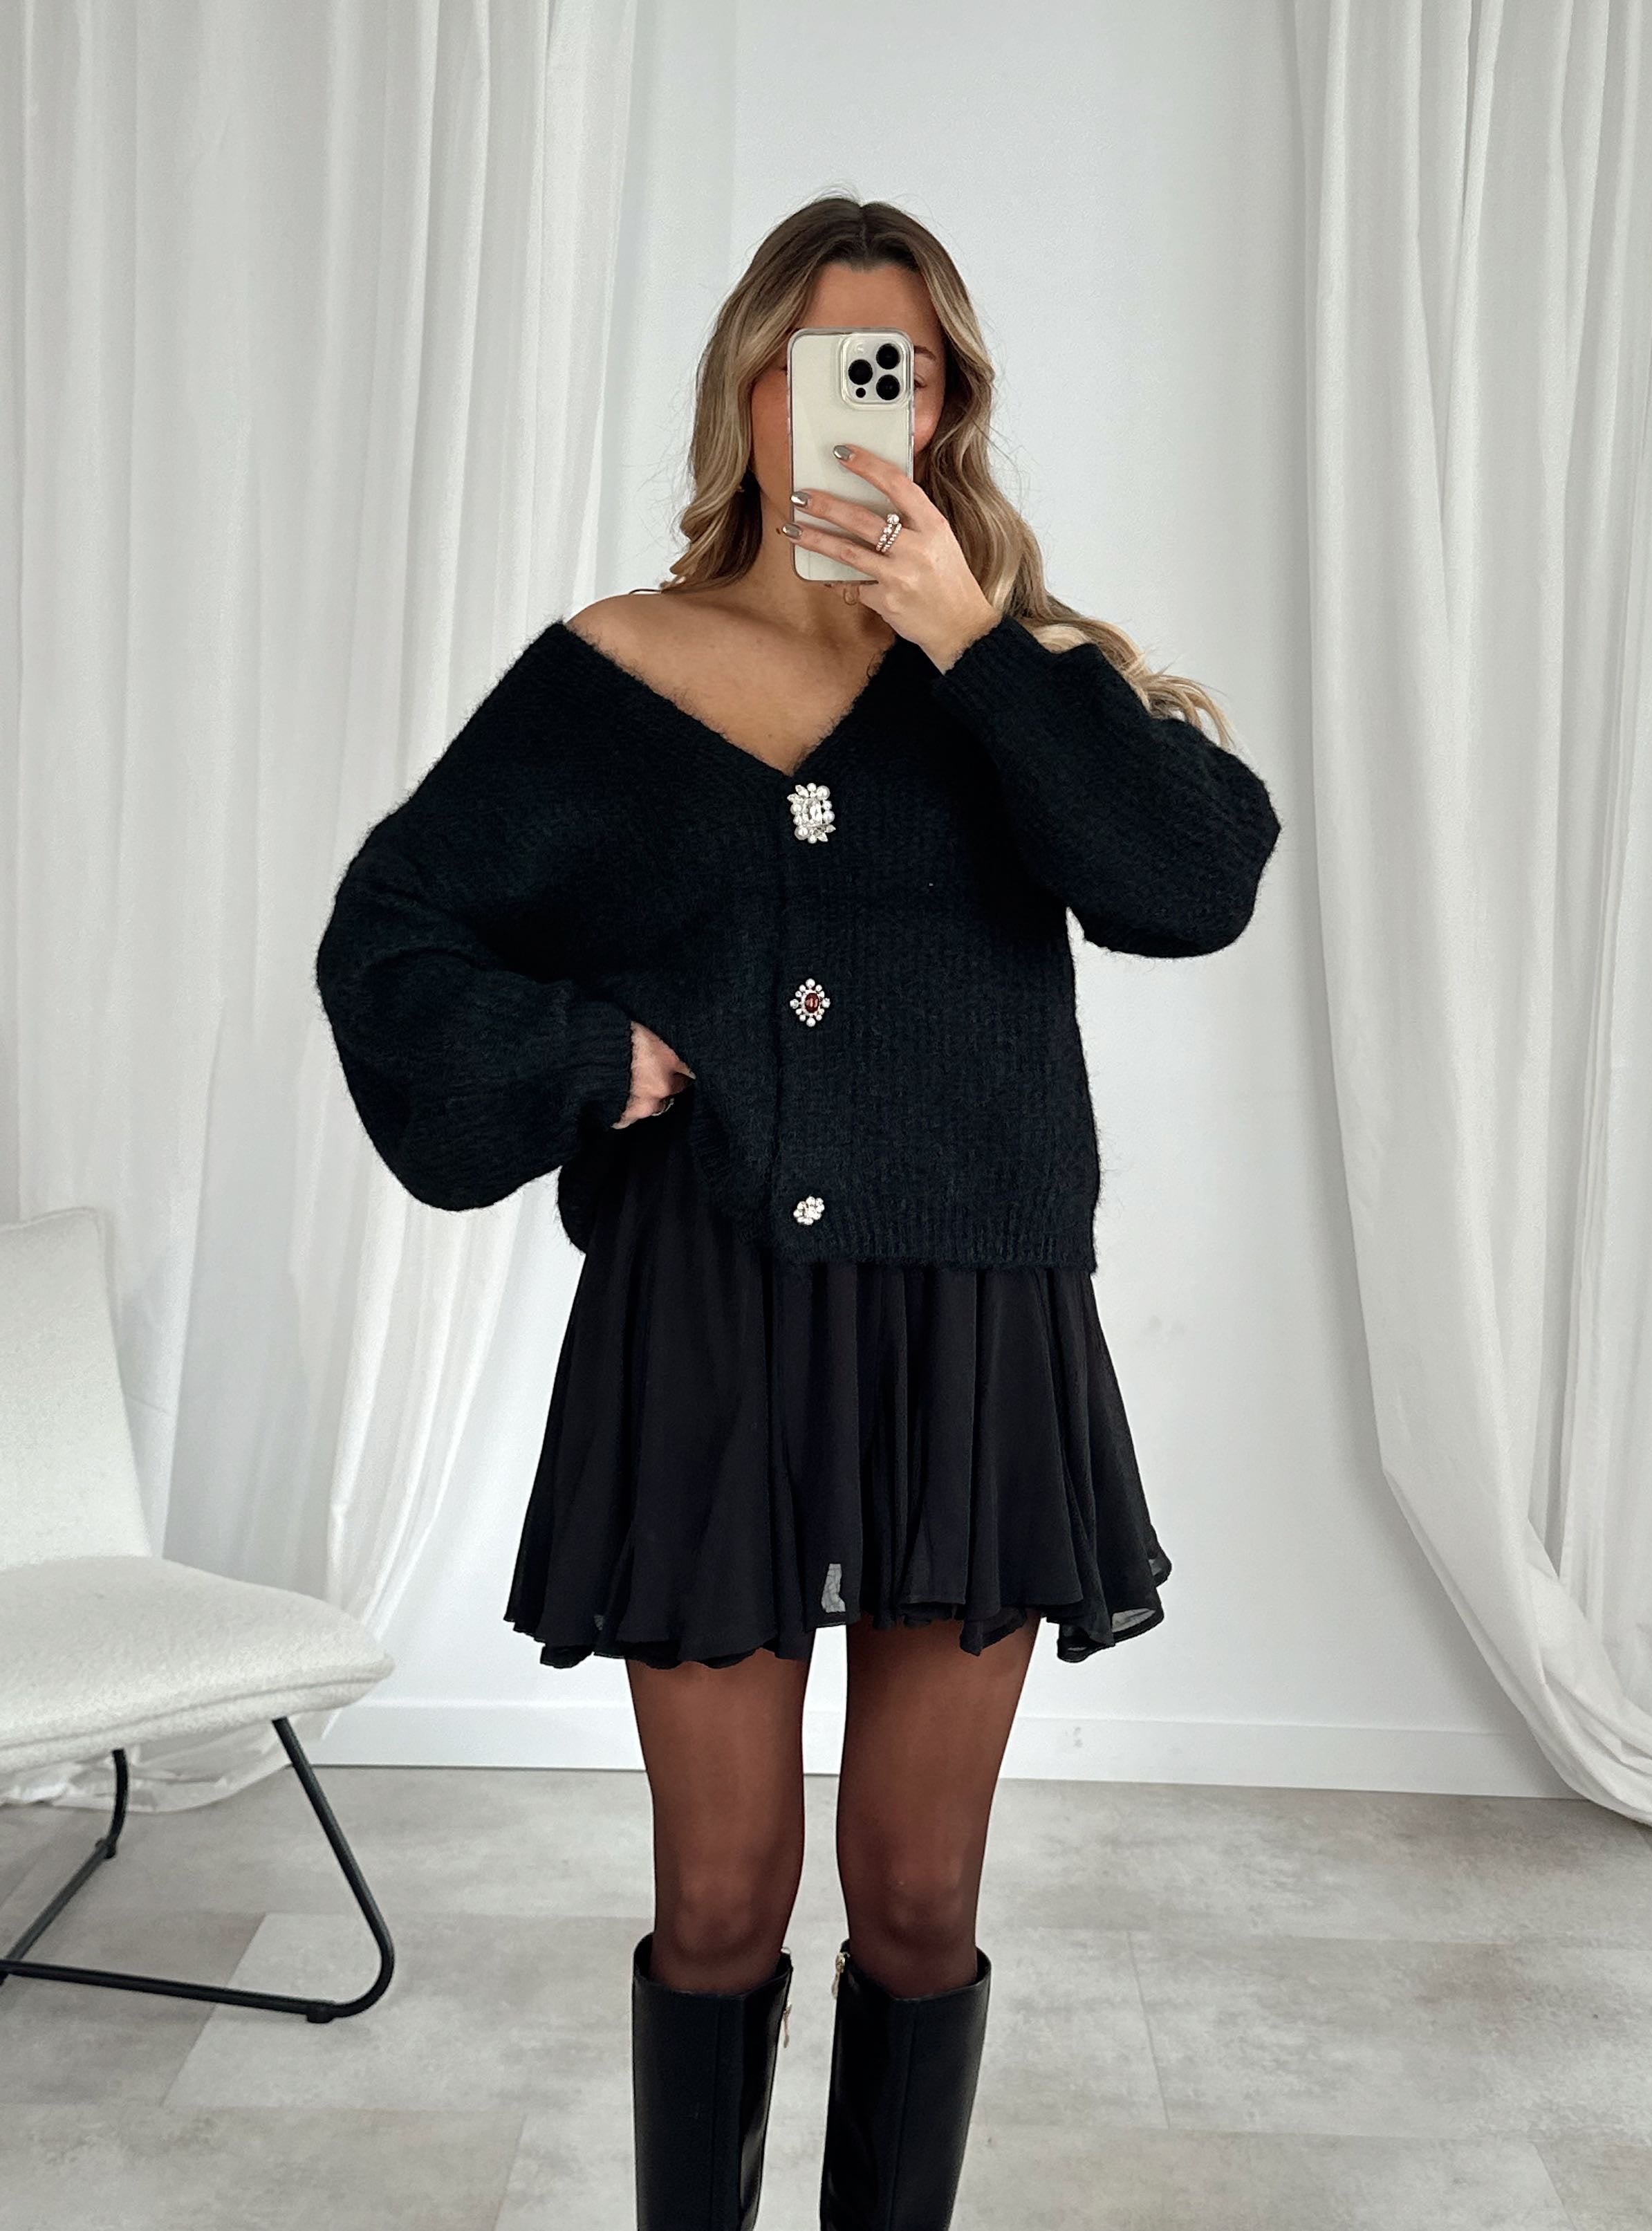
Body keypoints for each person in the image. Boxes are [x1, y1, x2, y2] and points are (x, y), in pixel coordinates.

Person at [314, 194, 1281, 2231]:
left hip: (971, 1324)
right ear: (747, 390)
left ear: (943, 408)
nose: (855, 401)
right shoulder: (612, 672)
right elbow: (389, 941)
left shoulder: (1020, 672)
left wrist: (973, 644)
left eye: (895, 367)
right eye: (818, 362)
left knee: (917, 1897)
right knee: (719, 1897)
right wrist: (589, 1057)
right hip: (710, 1321)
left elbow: (1193, 883)